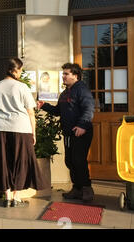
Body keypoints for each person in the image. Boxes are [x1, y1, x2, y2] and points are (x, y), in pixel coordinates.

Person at [0, 58, 48, 208]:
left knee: (4, 161)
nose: (21, 72)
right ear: (13, 70)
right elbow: (31, 112)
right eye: (20, 70)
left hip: (0, 127)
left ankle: (7, 197)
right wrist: (33, 133)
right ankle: (16, 197)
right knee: (20, 162)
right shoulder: (22, 87)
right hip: (20, 128)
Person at [37, 63, 95, 202]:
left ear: (75, 76)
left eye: (66, 74)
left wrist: (82, 126)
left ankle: (87, 189)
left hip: (81, 132)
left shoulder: (82, 89)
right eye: (63, 74)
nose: (63, 76)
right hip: (69, 133)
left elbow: (89, 108)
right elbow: (59, 111)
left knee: (79, 161)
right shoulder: (65, 93)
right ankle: (77, 189)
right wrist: (44, 106)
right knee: (70, 161)